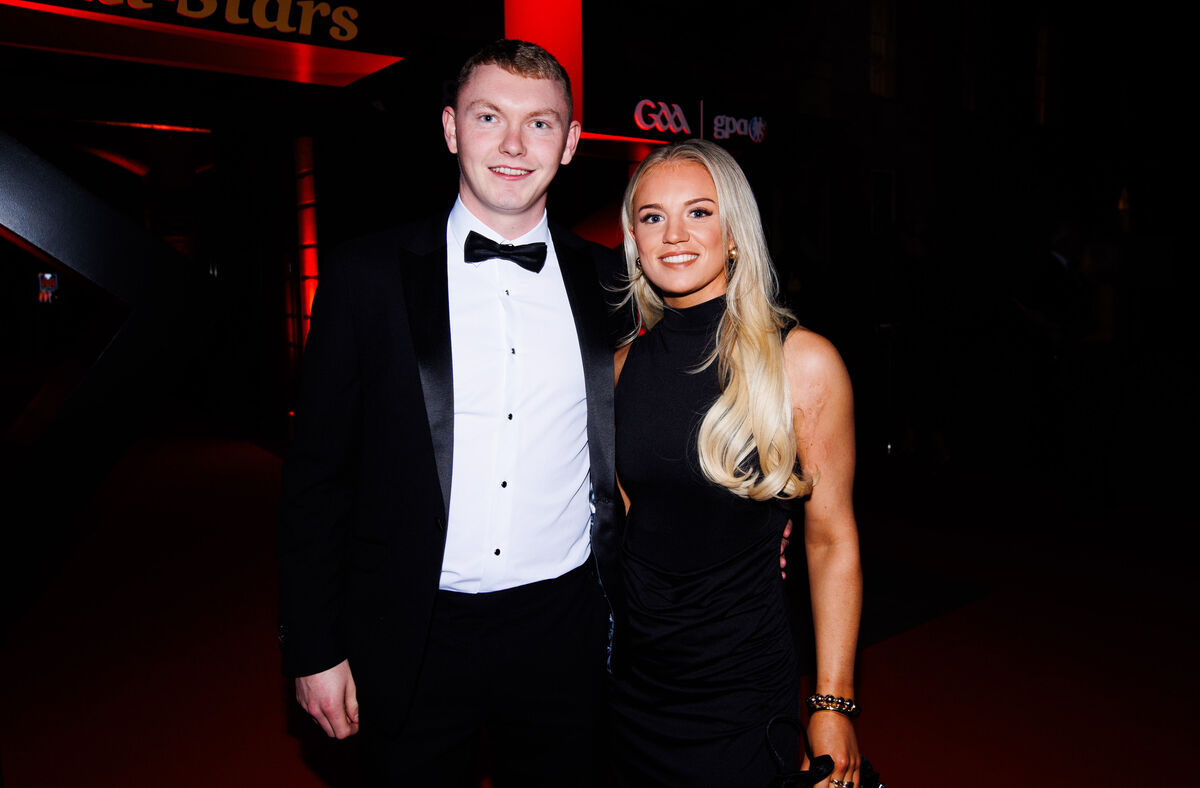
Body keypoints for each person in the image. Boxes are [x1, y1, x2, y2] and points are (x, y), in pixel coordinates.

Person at [276, 40, 626, 787]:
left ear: (569, 142)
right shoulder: (365, 276)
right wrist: (313, 645)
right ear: (449, 128)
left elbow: (672, 420)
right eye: (489, 116)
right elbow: (315, 479)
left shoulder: (615, 284)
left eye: (539, 123)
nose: (513, 144)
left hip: (564, 627)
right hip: (411, 626)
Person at [610, 139, 863, 788]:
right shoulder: (616, 370)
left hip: (742, 688)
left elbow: (831, 540)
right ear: (634, 239)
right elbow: (633, 527)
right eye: (652, 216)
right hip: (633, 689)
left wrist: (832, 701)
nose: (674, 234)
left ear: (734, 235)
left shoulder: (801, 363)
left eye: (699, 212)